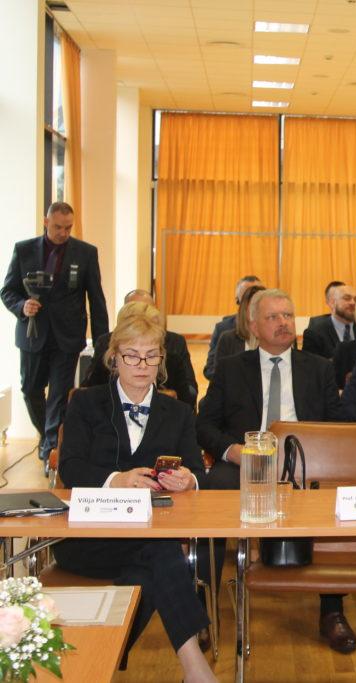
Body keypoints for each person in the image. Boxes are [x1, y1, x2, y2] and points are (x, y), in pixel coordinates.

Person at [54, 314, 216, 682]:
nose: (142, 365)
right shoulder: (86, 403)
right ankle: (194, 669)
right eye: (131, 355)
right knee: (163, 555)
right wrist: (117, 480)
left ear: (162, 360)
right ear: (114, 358)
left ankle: (108, 660)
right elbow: (71, 468)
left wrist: (187, 480)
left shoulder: (178, 413)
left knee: (153, 561)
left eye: (151, 355)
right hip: (89, 538)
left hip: (149, 534)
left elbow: (197, 471)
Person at [196, 289, 355, 653]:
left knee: (334, 500)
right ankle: (201, 612)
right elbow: (204, 424)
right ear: (253, 325)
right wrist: (233, 452)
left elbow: (338, 423)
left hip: (307, 465)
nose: (284, 323)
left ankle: (332, 611)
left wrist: (316, 452)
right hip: (246, 464)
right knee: (213, 492)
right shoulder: (232, 368)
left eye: (288, 315)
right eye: (273, 317)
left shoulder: (319, 367)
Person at [1, 201, 109, 467]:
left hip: (67, 337)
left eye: (68, 227)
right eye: (58, 227)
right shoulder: (24, 249)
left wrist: (103, 343)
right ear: (46, 222)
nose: (63, 232)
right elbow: (8, 290)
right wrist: (22, 306)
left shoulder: (85, 253)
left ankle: (51, 448)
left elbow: (96, 300)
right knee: (30, 390)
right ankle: (47, 437)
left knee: (59, 395)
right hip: (32, 334)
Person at [83, 298, 198, 409]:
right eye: (132, 355)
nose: (142, 365)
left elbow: (187, 401)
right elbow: (88, 399)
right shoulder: (105, 365)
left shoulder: (172, 362)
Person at [202, 275, 261, 380]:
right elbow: (210, 370)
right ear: (238, 301)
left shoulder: (274, 329)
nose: (252, 301)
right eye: (247, 297)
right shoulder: (223, 330)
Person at [211, 284, 266, 375]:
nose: (258, 312)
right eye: (253, 307)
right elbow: (218, 376)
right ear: (244, 310)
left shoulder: (276, 340)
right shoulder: (227, 339)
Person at [303, 282, 356, 359]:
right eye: (347, 298)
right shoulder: (314, 333)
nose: (353, 303)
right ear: (333, 303)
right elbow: (310, 363)